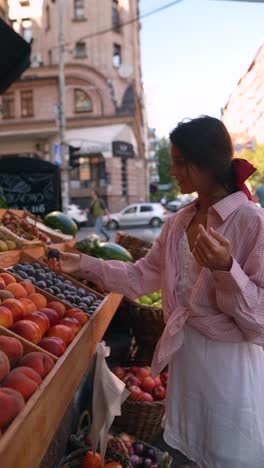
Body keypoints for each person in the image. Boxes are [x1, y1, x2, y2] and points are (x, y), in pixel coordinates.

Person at [49, 116, 264, 468]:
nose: (172, 170)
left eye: (179, 162)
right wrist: (85, 264)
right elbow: (140, 277)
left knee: (231, 454)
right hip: (188, 361)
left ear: (205, 164)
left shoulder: (252, 222)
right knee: (195, 453)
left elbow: (260, 321)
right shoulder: (179, 222)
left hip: (230, 367)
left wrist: (227, 270)